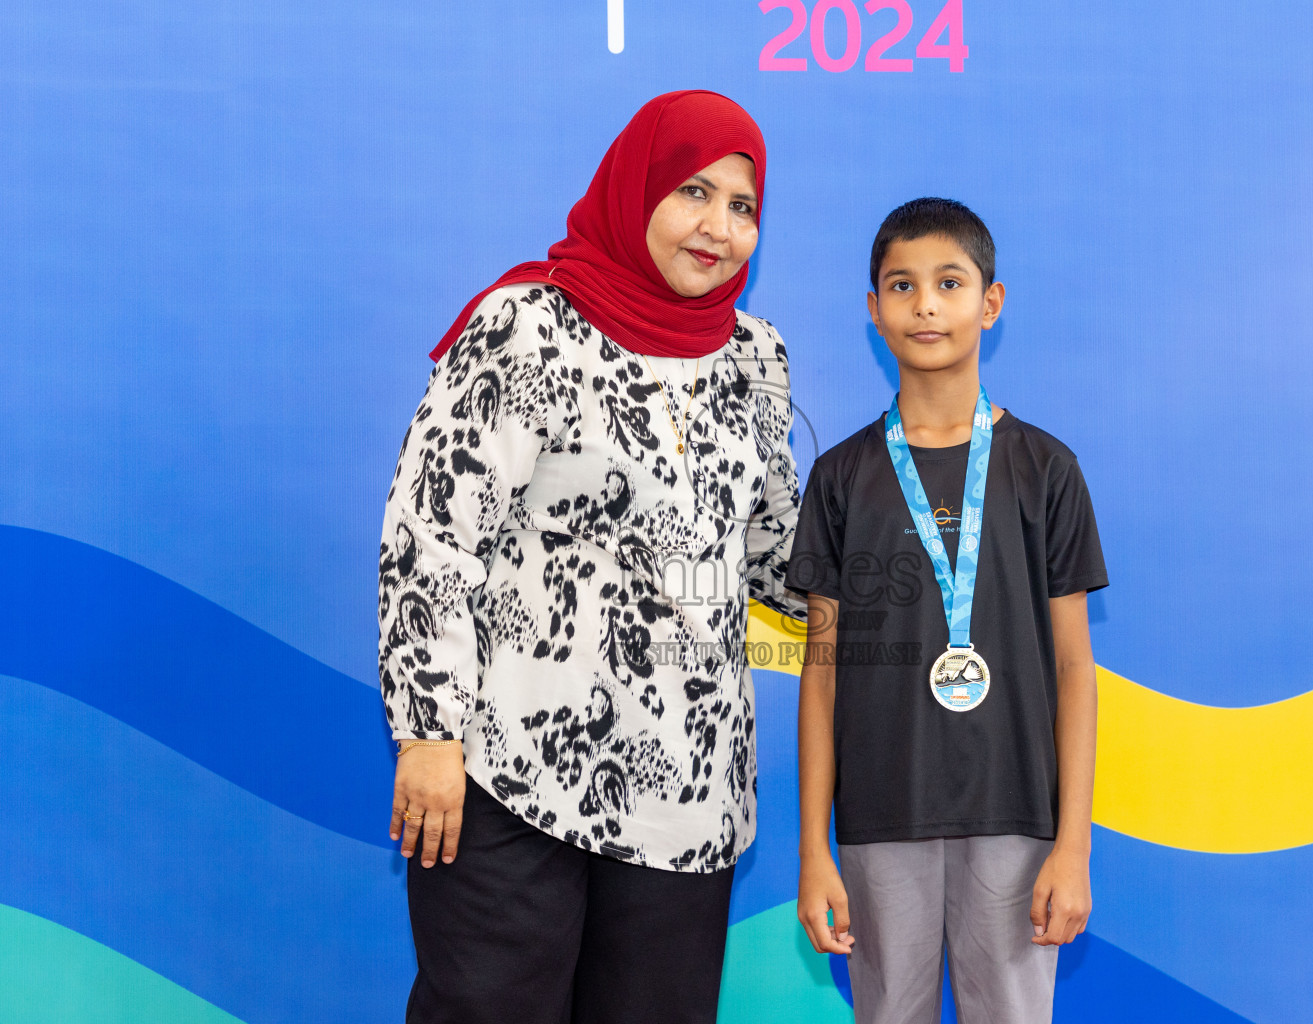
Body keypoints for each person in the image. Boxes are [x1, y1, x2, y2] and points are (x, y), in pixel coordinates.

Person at [377, 90, 805, 1024]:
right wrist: (429, 733)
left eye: (743, 207)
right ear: (635, 187)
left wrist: (921, 574)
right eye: (694, 191)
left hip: (690, 799)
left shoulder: (755, 358)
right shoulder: (531, 325)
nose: (720, 227)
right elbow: (433, 535)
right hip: (509, 776)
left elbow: (780, 555)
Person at [788, 197, 1108, 1023]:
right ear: (874, 310)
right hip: (878, 815)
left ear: (989, 304)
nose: (925, 304)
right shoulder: (839, 478)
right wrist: (812, 851)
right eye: (902, 285)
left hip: (1016, 817)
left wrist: (1072, 845)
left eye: (949, 282)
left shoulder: (1046, 470)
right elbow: (819, 679)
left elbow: (1075, 669)